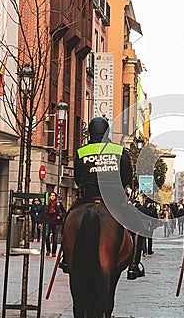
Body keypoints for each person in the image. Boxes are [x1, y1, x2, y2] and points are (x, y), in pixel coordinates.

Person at [60, 116, 145, 280]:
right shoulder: (119, 151)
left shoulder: (82, 151)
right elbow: (127, 177)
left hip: (88, 198)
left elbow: (78, 179)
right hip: (113, 201)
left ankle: (66, 259)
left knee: (67, 221)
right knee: (137, 226)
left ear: (90, 132)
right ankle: (134, 266)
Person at [40, 192, 66, 257]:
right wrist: (40, 222)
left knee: (55, 238)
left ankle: (54, 252)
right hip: (48, 221)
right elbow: (42, 213)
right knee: (46, 236)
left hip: (56, 222)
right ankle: (48, 250)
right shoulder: (46, 204)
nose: (52, 197)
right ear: (49, 197)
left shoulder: (58, 204)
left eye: (54, 195)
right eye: (51, 195)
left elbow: (64, 212)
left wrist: (60, 217)